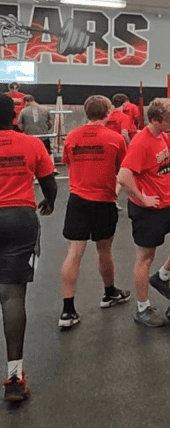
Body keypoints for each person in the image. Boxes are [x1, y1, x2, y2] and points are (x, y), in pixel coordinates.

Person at [116, 98, 170, 327]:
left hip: (168, 203)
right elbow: (123, 176)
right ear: (155, 120)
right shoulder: (142, 142)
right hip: (147, 209)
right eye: (169, 120)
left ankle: (161, 276)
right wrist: (142, 198)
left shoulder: (161, 135)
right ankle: (142, 308)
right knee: (145, 257)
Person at [0, 94, 57, 402]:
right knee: (11, 295)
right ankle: (13, 377)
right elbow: (50, 185)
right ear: (13, 116)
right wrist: (49, 202)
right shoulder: (32, 145)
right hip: (19, 219)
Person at [58, 95, 129, 329]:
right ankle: (109, 293)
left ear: (86, 113)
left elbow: (69, 163)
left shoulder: (72, 137)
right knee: (104, 249)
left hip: (78, 200)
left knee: (74, 252)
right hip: (103, 201)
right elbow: (123, 170)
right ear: (108, 112)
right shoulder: (115, 139)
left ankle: (67, 311)